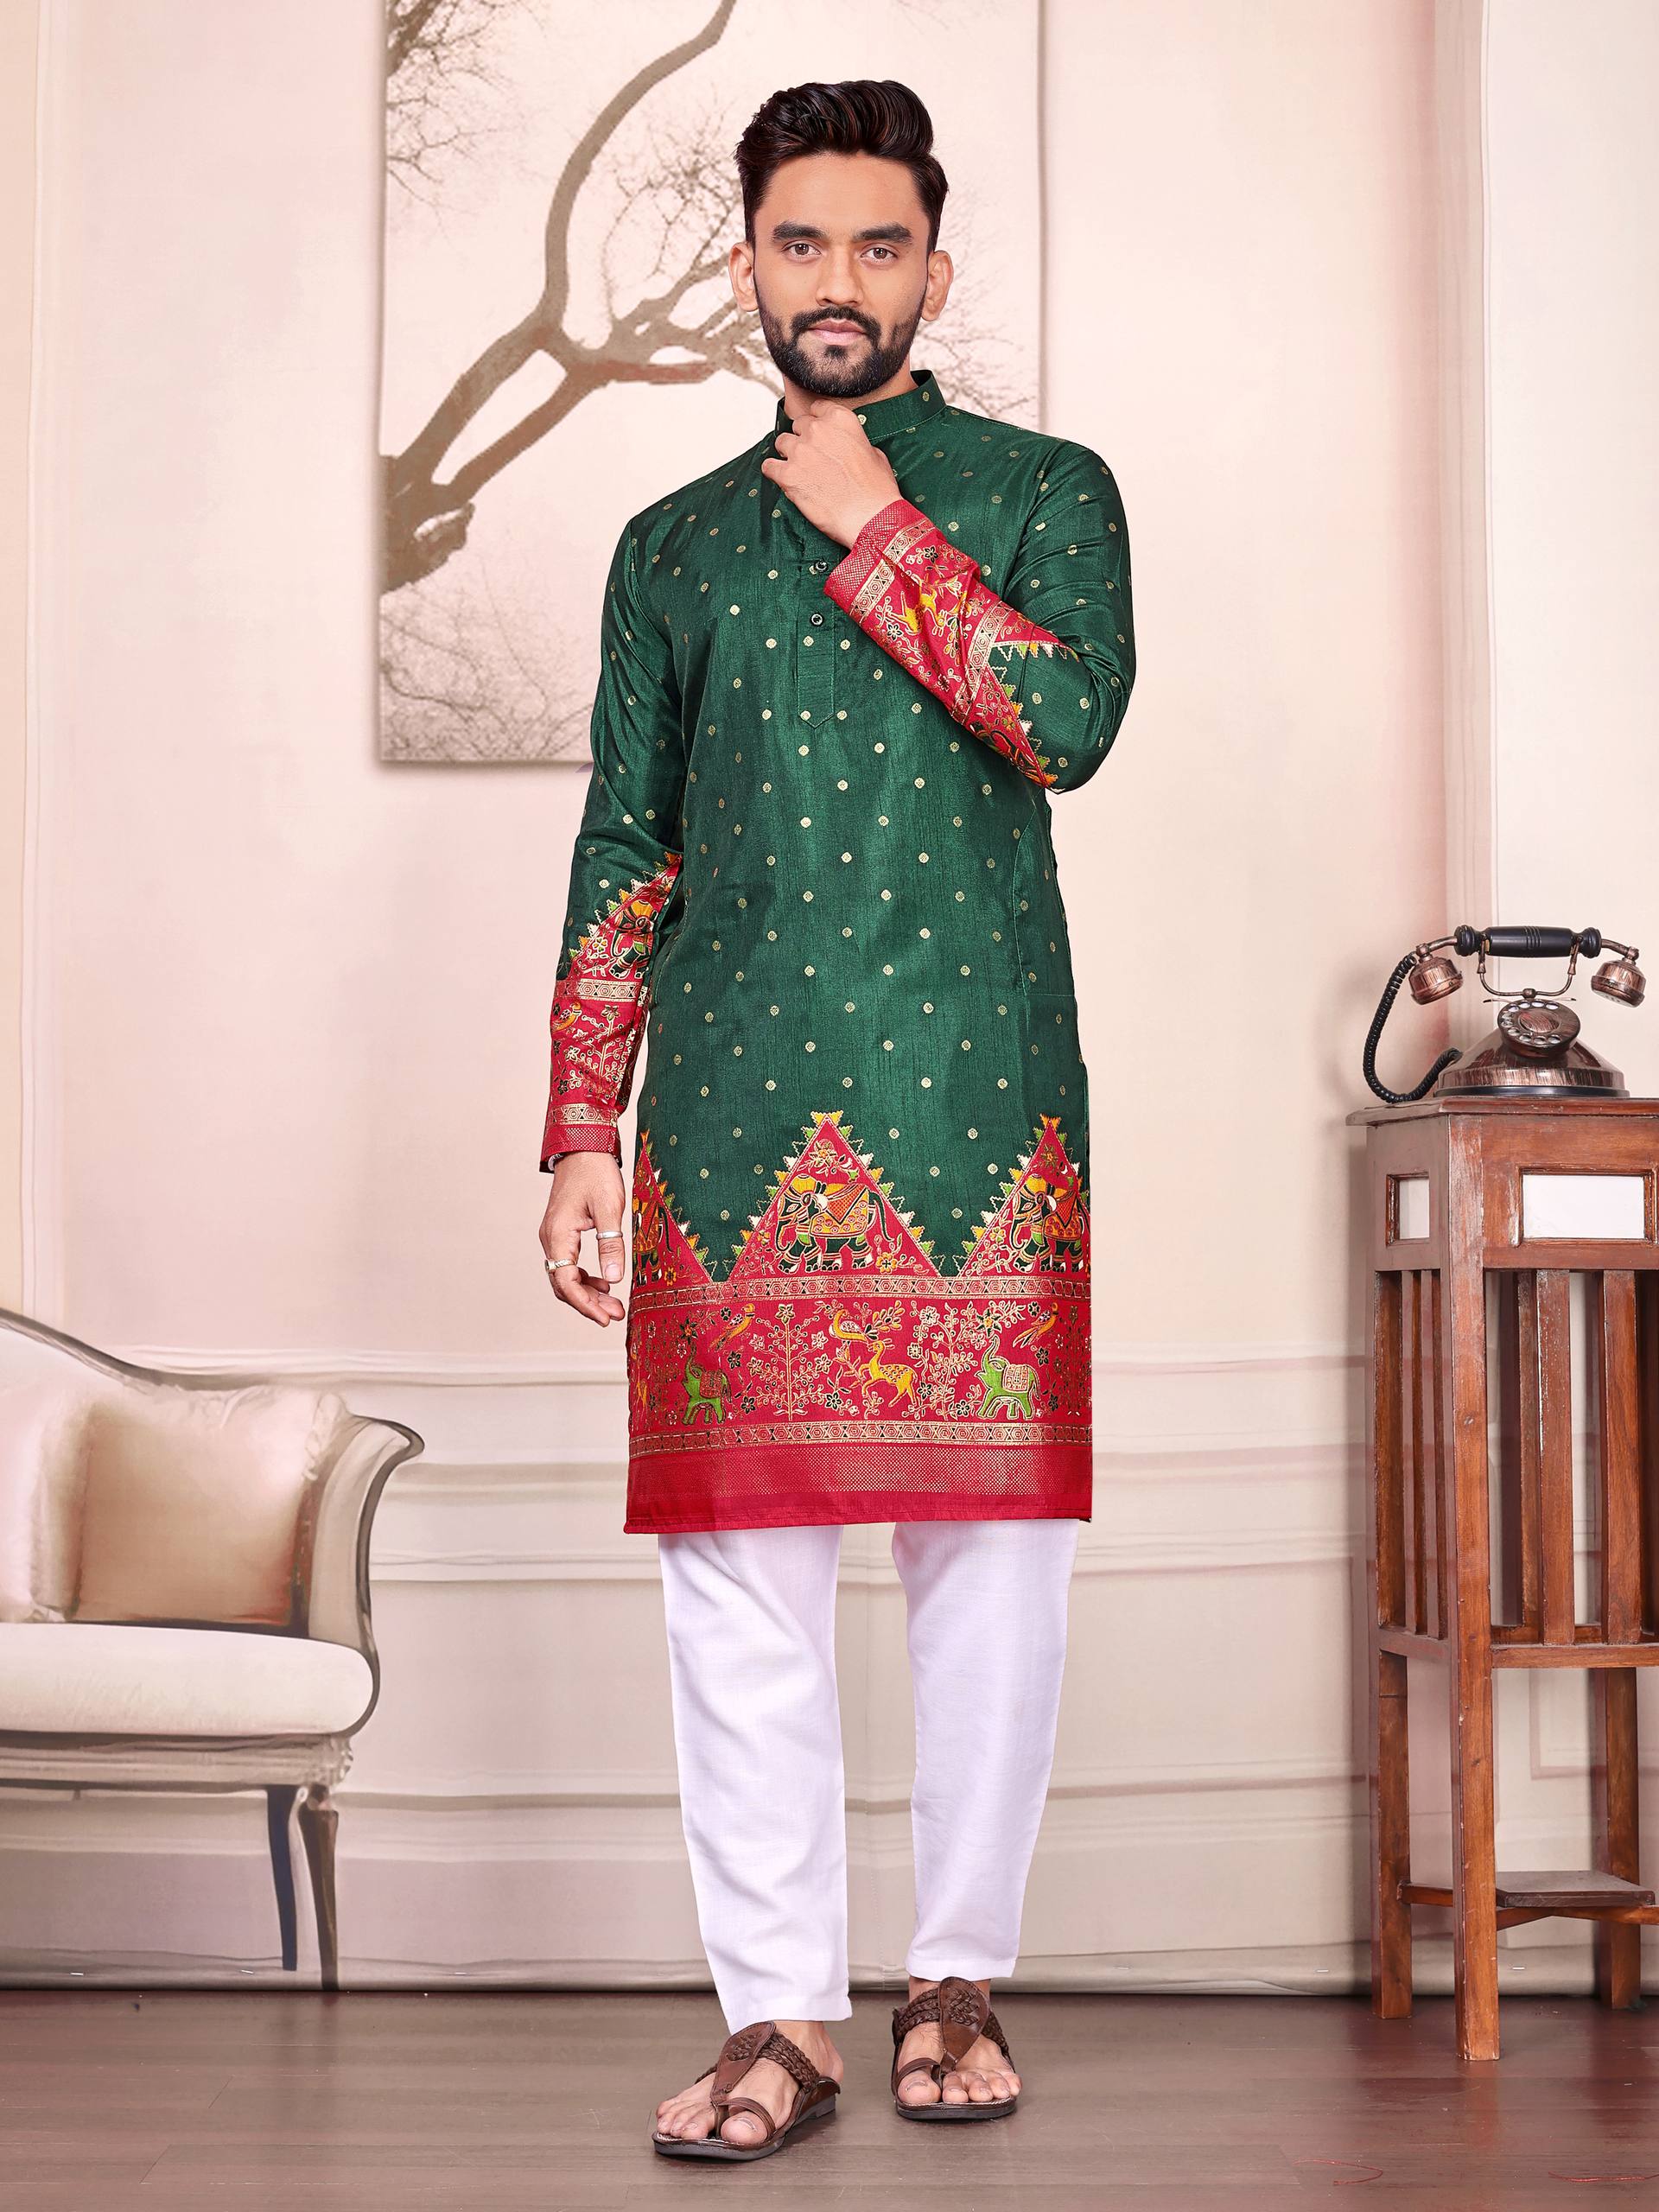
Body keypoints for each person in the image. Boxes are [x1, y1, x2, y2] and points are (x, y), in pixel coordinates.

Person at [537, 77, 1135, 2164]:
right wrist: (581, 1122)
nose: (839, 279)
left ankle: (957, 1975)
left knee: (996, 1565)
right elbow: (626, 844)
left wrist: (877, 518)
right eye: (803, 242)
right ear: (749, 268)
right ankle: (778, 2015)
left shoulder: (1046, 489)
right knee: (739, 1581)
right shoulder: (672, 545)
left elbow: (1067, 718)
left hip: (977, 1109)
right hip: (727, 1118)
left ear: (932, 275)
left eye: (880, 245)